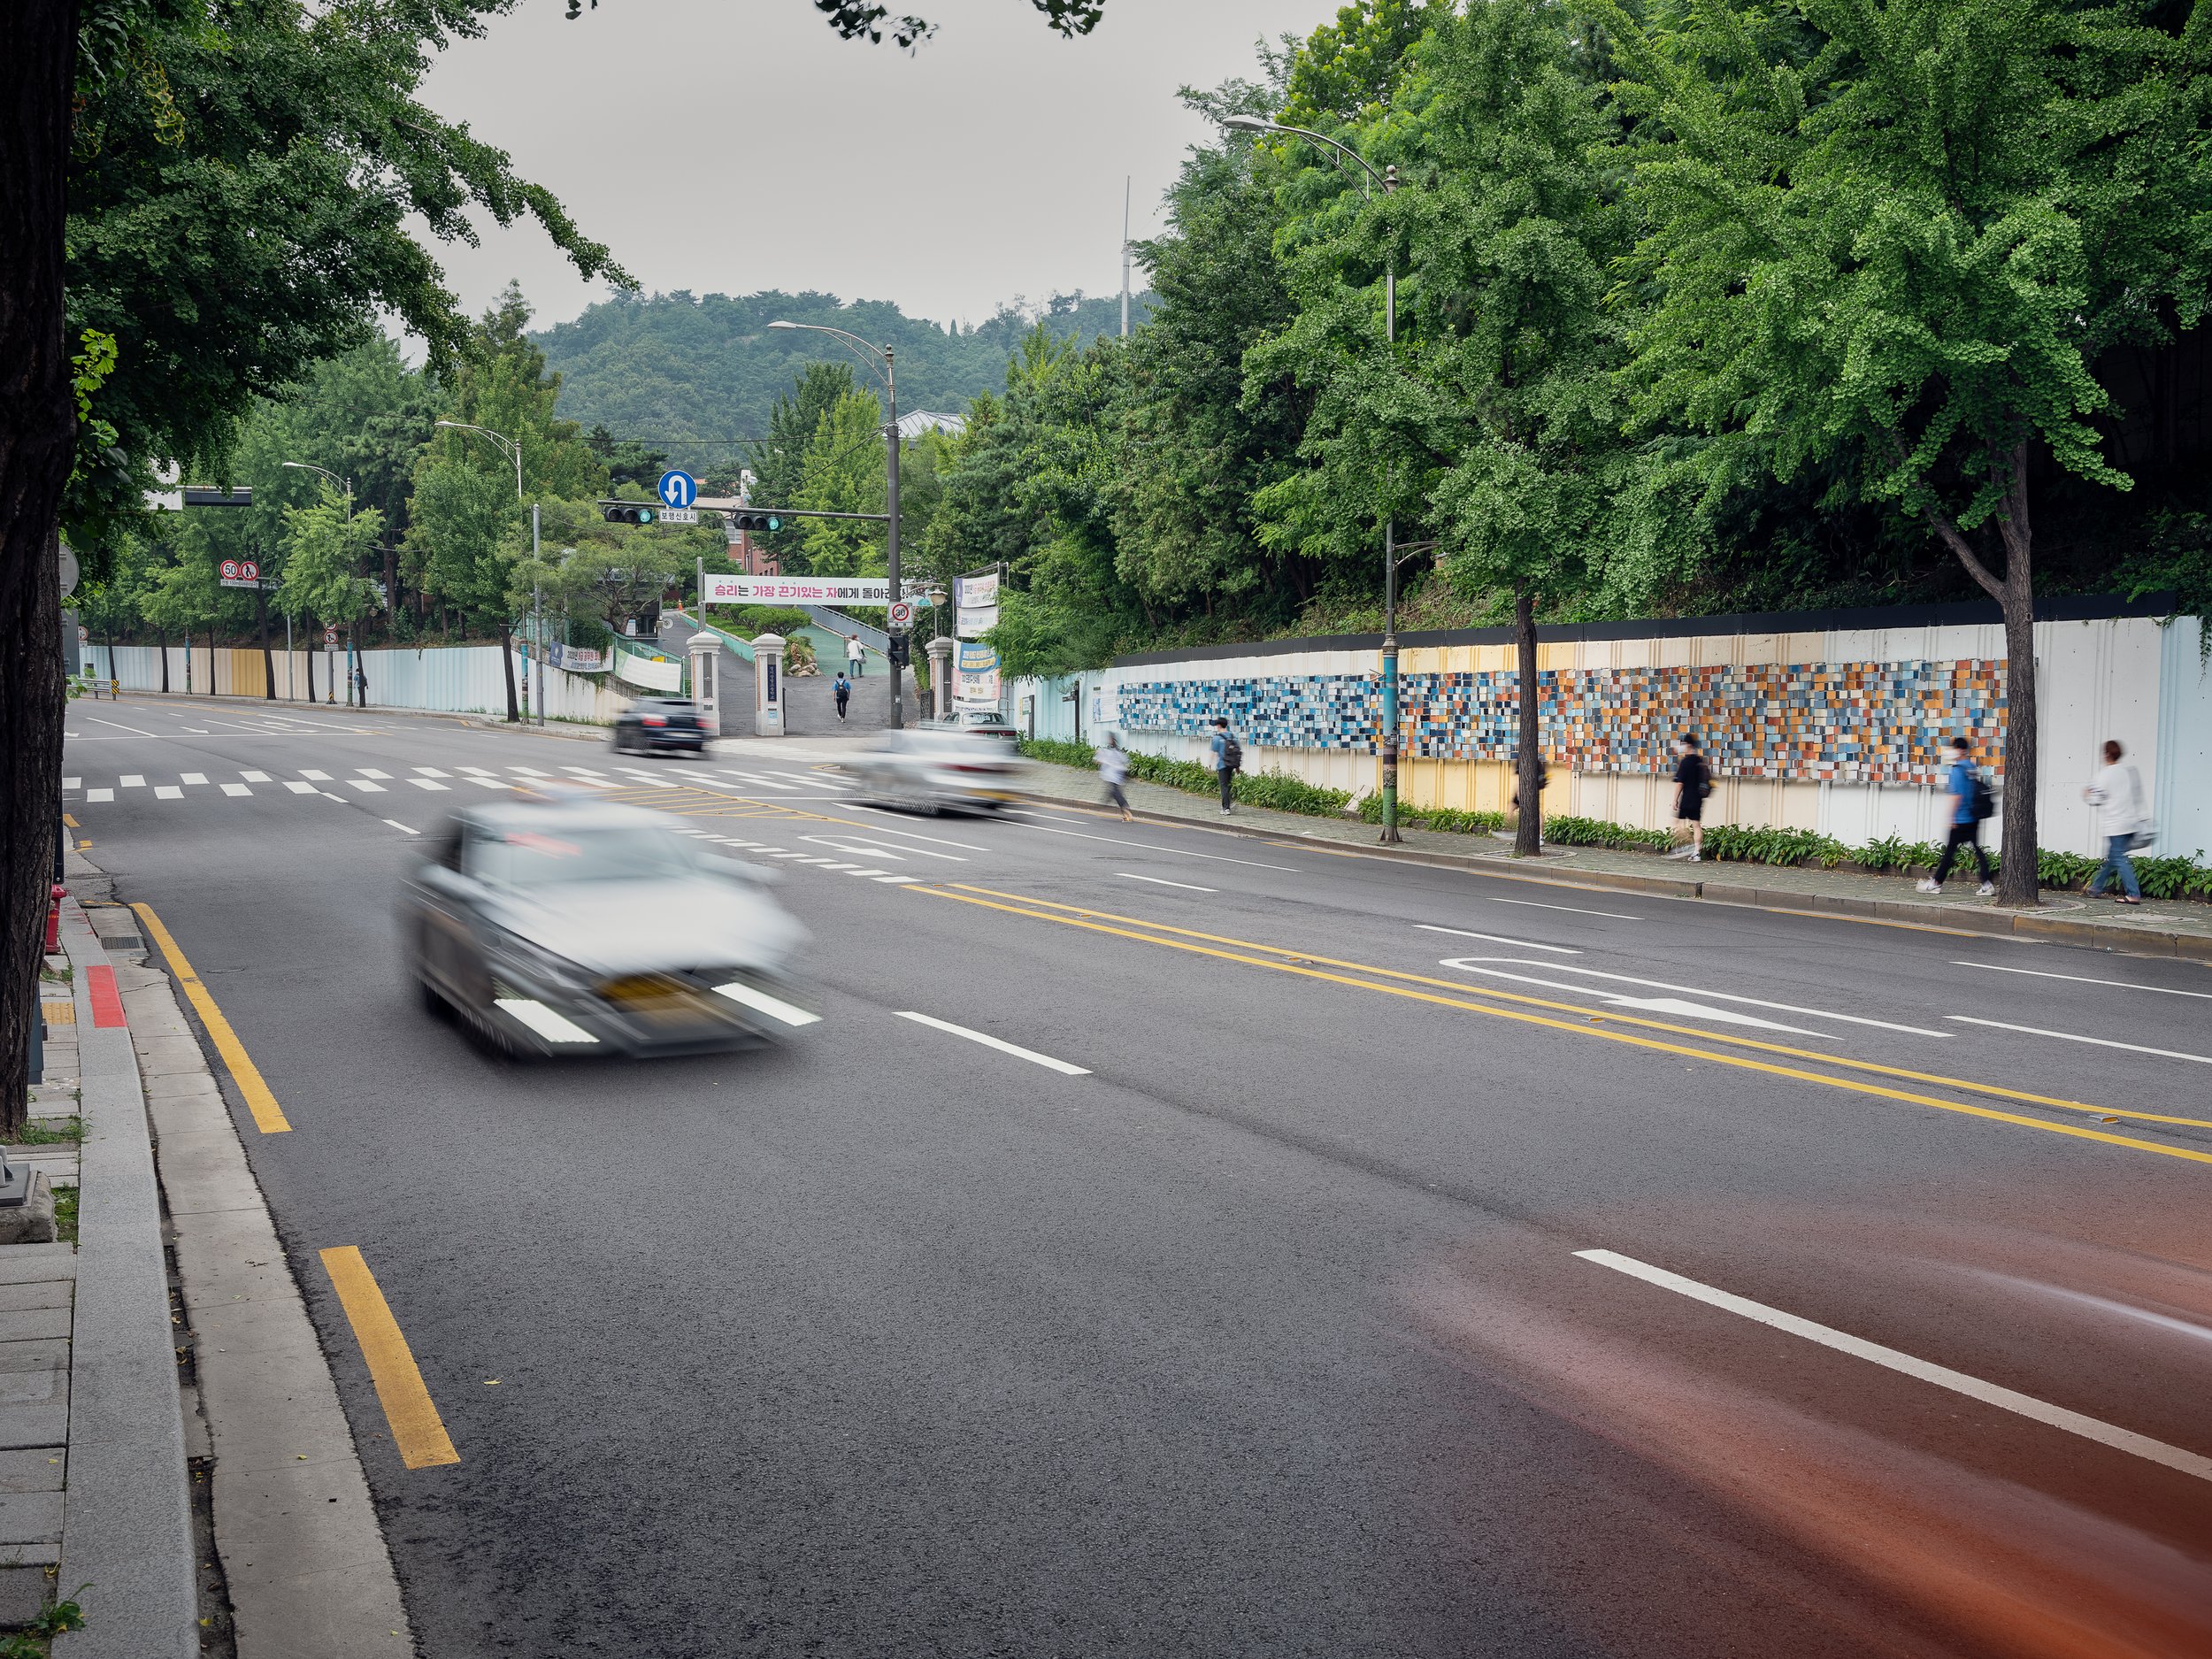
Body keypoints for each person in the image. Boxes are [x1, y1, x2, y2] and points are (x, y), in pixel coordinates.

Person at [1917, 735, 1995, 896]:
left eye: (1953, 748)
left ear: (1960, 750)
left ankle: (1935, 883)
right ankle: (1987, 884)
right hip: (1973, 817)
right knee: (1978, 851)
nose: (1951, 752)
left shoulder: (1958, 770)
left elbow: (1957, 796)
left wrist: (1951, 818)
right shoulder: (1971, 768)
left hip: (1960, 819)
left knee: (1950, 852)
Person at [2084, 739, 2146, 905]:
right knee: (2113, 857)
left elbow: (2095, 799)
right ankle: (2096, 887)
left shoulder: (2103, 775)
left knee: (2118, 857)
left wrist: (2087, 793)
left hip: (2115, 824)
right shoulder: (2128, 772)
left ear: (2106, 754)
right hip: (2131, 823)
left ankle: (2133, 894)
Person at [1663, 733, 1710, 861]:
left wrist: (1675, 799)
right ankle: (1696, 852)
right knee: (1696, 824)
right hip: (1698, 797)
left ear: (1687, 745)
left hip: (1687, 797)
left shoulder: (1685, 762)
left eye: (1683, 744)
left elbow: (1680, 783)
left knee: (1676, 823)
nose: (1681, 746)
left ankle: (1687, 845)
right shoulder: (1699, 761)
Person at [1209, 717, 1240, 815]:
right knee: (1228, 785)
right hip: (1231, 765)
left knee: (1224, 786)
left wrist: (1210, 763)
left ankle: (1226, 808)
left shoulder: (1217, 738)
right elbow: (1237, 753)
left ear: (1218, 725)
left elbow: (1214, 752)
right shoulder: (1233, 737)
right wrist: (1237, 767)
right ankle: (1228, 804)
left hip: (1222, 765)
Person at [1098, 732, 1132, 821]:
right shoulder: (1115, 750)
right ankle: (1104, 804)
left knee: (1115, 792)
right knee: (1113, 792)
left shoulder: (1111, 751)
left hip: (1113, 775)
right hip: (1117, 775)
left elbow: (1099, 760)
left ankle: (1124, 807)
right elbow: (1125, 760)